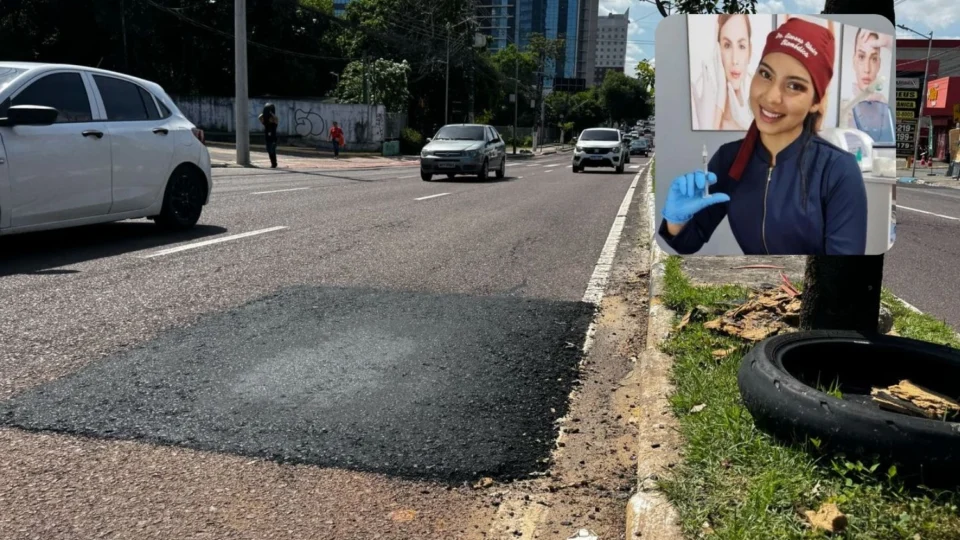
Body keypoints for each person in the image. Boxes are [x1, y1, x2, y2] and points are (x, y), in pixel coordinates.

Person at [660, 17, 868, 256]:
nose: (771, 97)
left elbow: (844, 269)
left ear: (816, 102)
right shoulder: (730, 160)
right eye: (766, 74)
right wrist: (676, 220)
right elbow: (689, 242)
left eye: (794, 86)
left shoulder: (837, 170)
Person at [691, 14, 755, 131]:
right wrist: (720, 96)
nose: (735, 60)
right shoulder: (702, 110)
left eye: (741, 46)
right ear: (717, 50)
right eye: (727, 45)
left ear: (750, 52)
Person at [840, 28, 891, 128]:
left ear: (879, 64)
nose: (867, 69)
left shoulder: (886, 109)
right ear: (854, 62)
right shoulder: (840, 108)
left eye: (874, 59)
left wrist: (889, 42)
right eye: (861, 57)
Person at [258, 103, 279, 168]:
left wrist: (271, 113)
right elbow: (259, 117)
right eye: (270, 118)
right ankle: (273, 163)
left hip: (273, 140)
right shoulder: (266, 124)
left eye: (271, 118)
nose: (270, 119)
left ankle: (274, 164)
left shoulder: (274, 125)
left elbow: (276, 118)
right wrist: (264, 113)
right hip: (267, 140)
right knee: (269, 152)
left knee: (272, 151)